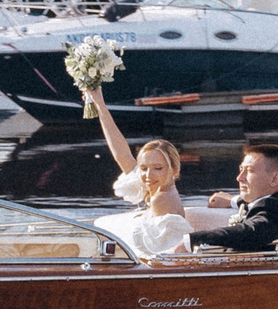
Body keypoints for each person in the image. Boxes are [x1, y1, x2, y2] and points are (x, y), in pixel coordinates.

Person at [81, 85, 195, 256]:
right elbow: (122, 156)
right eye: (143, 168)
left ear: (174, 170)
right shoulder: (160, 190)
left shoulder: (162, 200)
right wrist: (100, 105)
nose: (148, 175)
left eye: (158, 168)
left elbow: (167, 253)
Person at [190, 143, 278, 252]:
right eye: (241, 170)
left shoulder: (274, 211)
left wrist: (192, 240)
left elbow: (254, 230)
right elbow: (263, 204)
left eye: (250, 171)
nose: (239, 178)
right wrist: (232, 200)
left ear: (274, 179)